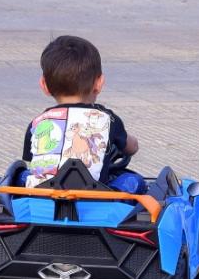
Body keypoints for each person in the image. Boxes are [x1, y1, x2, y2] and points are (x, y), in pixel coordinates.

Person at [23, 35, 143, 194]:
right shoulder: (107, 119)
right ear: (99, 83)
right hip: (93, 198)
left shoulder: (37, 123)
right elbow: (132, 147)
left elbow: (33, 161)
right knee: (134, 180)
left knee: (22, 173)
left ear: (44, 85)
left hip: (41, 197)